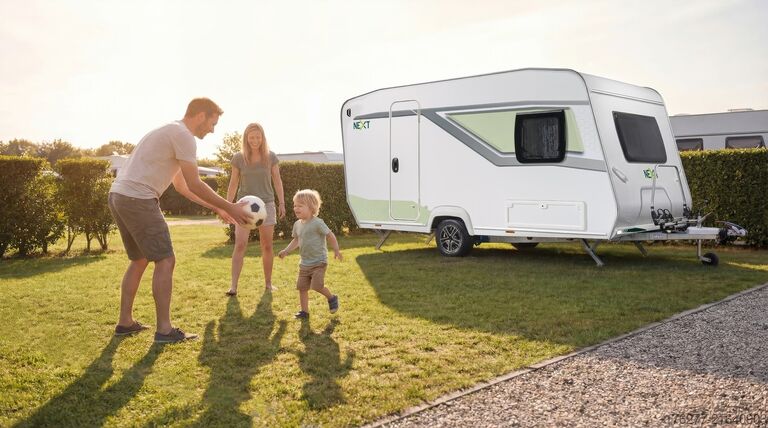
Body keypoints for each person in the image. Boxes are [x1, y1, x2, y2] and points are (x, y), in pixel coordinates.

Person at [109, 98, 252, 343]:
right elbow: (196, 183)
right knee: (165, 260)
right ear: (200, 116)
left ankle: (125, 322)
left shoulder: (171, 132)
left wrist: (216, 209)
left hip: (119, 195)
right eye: (212, 123)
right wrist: (229, 206)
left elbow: (183, 186)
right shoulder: (183, 135)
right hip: (139, 198)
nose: (212, 129)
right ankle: (164, 330)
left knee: (140, 259)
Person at [225, 122, 286, 295]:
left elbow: (277, 180)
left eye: (258, 137)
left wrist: (281, 202)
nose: (255, 140)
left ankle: (268, 283)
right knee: (240, 244)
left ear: (263, 138)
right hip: (243, 206)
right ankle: (233, 286)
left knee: (266, 246)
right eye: (251, 137)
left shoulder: (271, 157)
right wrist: (228, 206)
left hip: (266, 205)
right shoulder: (239, 158)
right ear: (246, 138)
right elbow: (234, 183)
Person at [278, 189, 342, 319]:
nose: (296, 208)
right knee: (302, 288)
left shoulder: (317, 223)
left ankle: (332, 297)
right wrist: (286, 251)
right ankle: (304, 312)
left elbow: (330, 235)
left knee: (317, 286)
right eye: (295, 205)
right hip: (304, 263)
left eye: (300, 205)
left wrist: (336, 250)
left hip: (319, 262)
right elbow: (296, 240)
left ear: (311, 207)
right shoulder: (297, 225)